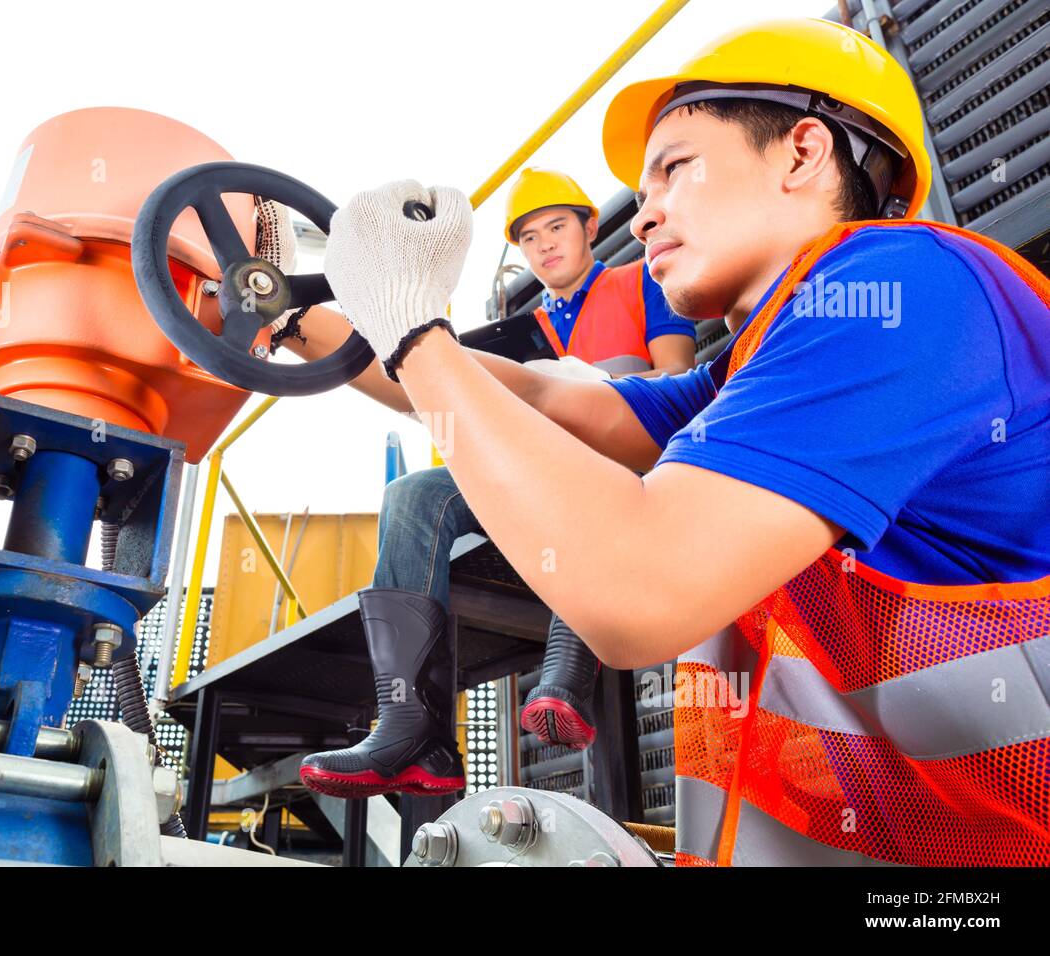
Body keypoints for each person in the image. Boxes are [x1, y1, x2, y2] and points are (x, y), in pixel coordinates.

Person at [304, 17, 1050, 866]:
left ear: (803, 152)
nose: (646, 213)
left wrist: (413, 334)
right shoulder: (758, 373)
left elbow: (638, 589)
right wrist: (308, 323)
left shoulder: (899, 290)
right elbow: (550, 398)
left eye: (674, 168)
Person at [263, 171, 695, 797]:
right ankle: (416, 728)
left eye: (556, 227)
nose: (544, 245)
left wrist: (576, 385)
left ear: (590, 228)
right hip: (542, 473)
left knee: (589, 469)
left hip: (626, 466)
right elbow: (434, 390)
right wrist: (293, 323)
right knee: (413, 497)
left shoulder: (643, 281)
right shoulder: (524, 331)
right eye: (528, 237)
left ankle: (570, 668)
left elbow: (673, 383)